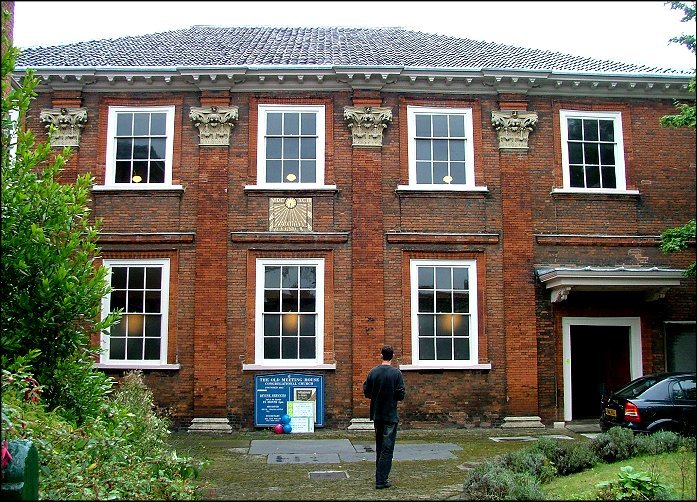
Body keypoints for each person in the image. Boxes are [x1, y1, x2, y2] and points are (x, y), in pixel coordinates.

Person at [363, 344, 406, 489]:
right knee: (388, 449)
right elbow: (401, 395)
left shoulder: (373, 372)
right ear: (392, 356)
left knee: (380, 447)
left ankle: (379, 477)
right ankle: (381, 480)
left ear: (381, 355)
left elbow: (367, 392)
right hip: (390, 415)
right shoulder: (396, 374)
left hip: (377, 414)